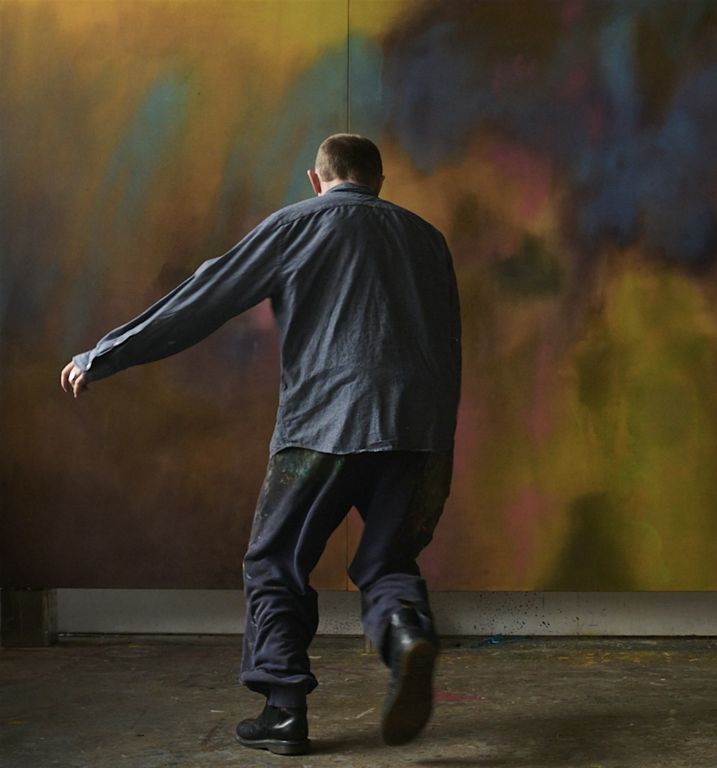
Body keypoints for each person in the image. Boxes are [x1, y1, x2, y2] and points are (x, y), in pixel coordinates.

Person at [59, 134, 461, 755]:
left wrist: (106, 353)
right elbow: (449, 347)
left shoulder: (297, 224)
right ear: (379, 181)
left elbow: (203, 298)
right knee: (387, 562)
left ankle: (284, 710)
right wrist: (436, 445)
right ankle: (406, 632)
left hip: (323, 423)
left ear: (316, 179)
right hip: (415, 429)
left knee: (275, 561)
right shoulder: (427, 239)